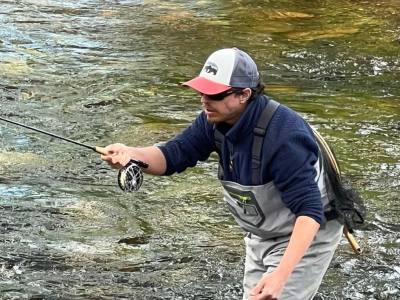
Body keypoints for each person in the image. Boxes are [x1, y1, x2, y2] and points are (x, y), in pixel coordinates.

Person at [101, 48, 343, 300]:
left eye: (214, 94)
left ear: (244, 95)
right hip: (262, 232)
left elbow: (310, 212)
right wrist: (132, 155)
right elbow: (173, 155)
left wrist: (280, 276)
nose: (204, 100)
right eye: (202, 91)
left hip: (307, 233)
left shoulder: (284, 138)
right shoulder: (213, 120)